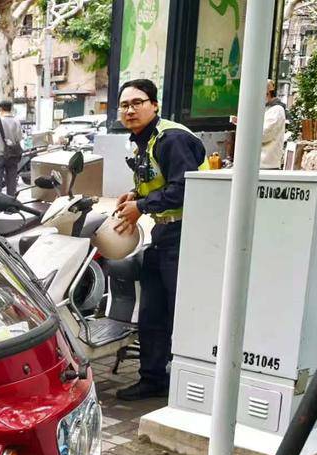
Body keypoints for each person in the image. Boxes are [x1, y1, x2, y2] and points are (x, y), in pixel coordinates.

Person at [112, 78, 207, 401]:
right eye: (124, 105)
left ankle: (189, 381)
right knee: (152, 311)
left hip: (188, 234)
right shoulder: (144, 141)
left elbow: (186, 187)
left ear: (154, 105)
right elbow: (160, 181)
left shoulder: (172, 139)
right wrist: (136, 195)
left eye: (137, 103)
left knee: (181, 310)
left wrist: (141, 206)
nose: (130, 110)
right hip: (163, 233)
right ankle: (152, 379)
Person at [229, 80, 288, 169]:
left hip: (266, 165)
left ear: (267, 93)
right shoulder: (266, 109)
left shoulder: (276, 110)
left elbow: (263, 134)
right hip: (257, 164)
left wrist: (244, 127)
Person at [0, 100, 24, 197]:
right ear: (11, 109)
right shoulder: (16, 121)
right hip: (13, 154)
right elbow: (19, 138)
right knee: (12, 178)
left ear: (1, 109)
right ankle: (10, 199)